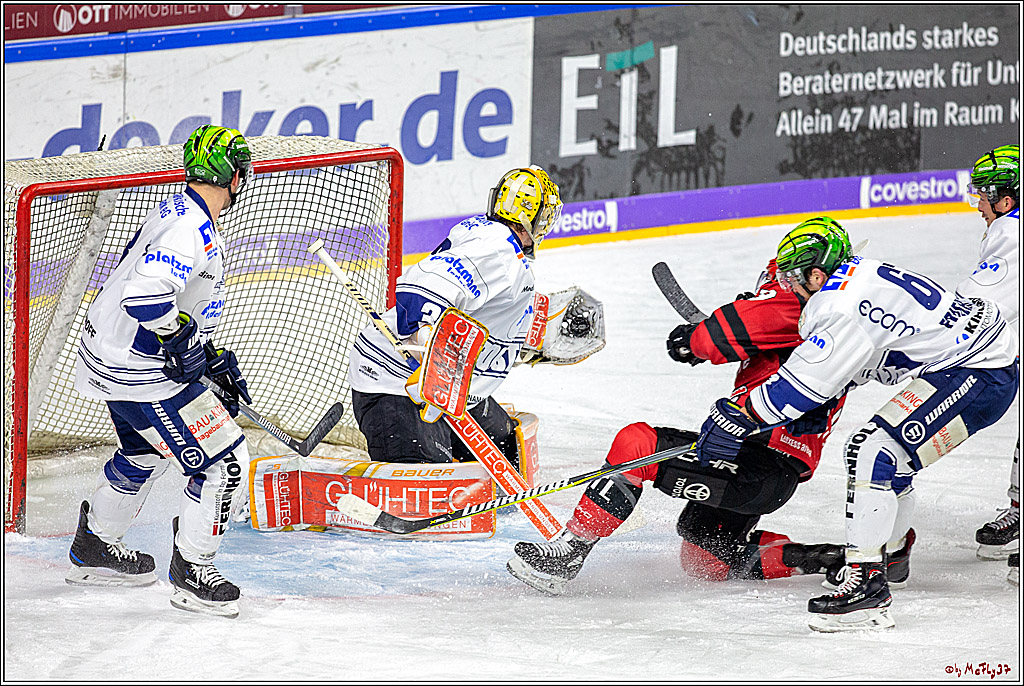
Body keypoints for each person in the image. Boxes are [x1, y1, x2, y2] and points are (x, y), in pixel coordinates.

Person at [507, 218, 876, 596]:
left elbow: (717, 337)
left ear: (816, 275)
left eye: (788, 276)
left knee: (637, 445)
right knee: (706, 557)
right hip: (776, 473)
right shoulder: (848, 312)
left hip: (751, 460)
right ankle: (829, 557)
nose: (782, 282)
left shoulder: (801, 306)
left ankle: (567, 553)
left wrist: (694, 340)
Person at [693, 218, 1019, 631]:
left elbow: (799, 391)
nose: (789, 287)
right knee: (891, 457)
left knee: (873, 451)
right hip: (979, 360)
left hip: (978, 372)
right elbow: (857, 360)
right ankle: (892, 554)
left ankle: (866, 587)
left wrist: (737, 414)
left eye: (793, 278)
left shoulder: (837, 306)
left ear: (815, 273)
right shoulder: (858, 274)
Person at [68, 125, 255, 618]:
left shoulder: (182, 211)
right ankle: (192, 574)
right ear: (236, 175)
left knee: (143, 451)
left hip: (112, 357)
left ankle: (95, 547)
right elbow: (146, 296)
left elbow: (173, 298)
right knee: (223, 464)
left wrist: (208, 356)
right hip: (139, 368)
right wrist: (175, 340)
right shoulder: (187, 229)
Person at [347, 166, 563, 467]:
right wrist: (426, 344)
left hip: (447, 388)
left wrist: (532, 344)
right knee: (429, 500)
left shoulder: (491, 239)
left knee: (506, 451)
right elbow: (418, 288)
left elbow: (480, 312)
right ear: (533, 217)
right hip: (396, 383)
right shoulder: (498, 252)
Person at [957, 145, 1019, 583]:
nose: (979, 205)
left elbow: (980, 304)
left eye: (984, 196)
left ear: (1007, 199)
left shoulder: (1012, 233)